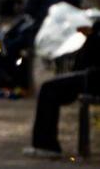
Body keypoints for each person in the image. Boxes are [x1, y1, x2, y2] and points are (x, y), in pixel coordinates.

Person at [24, 21, 100, 158]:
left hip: (94, 79)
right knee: (52, 87)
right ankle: (45, 144)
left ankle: (46, 146)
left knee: (49, 89)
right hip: (90, 75)